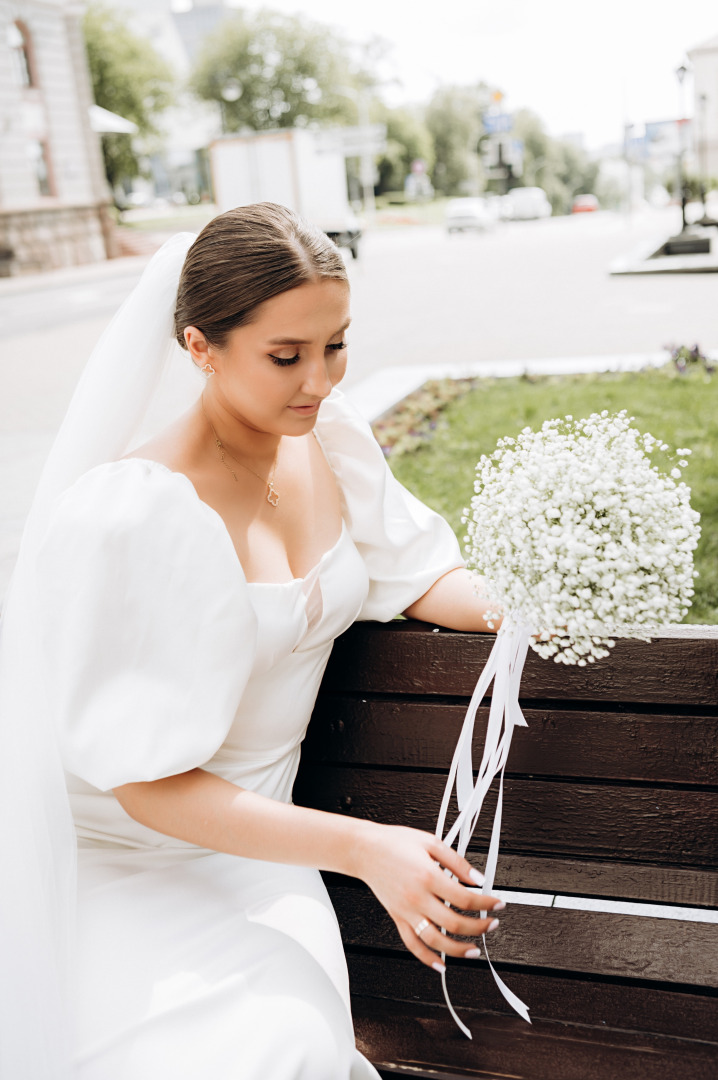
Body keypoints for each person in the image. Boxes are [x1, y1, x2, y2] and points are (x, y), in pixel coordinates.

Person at [0, 203, 504, 1079]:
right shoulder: (133, 514)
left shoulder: (332, 445)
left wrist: (556, 594)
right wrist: (360, 847)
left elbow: (420, 575)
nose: (321, 380)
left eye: (336, 345)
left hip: (259, 865)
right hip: (125, 864)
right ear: (200, 348)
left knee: (285, 1042)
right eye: (287, 356)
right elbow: (146, 791)